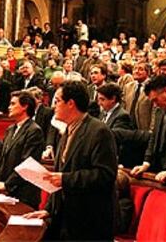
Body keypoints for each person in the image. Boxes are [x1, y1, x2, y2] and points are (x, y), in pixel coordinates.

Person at [24, 80, 118, 240]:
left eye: (57, 101)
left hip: (89, 222)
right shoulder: (67, 130)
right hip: (66, 219)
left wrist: (65, 179)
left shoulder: (99, 131)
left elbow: (105, 175)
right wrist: (49, 209)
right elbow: (60, 176)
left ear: (71, 103)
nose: (54, 106)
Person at [0, 91, 44, 209]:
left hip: (24, 193)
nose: (9, 107)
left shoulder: (34, 131)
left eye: (13, 104)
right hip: (7, 191)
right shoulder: (10, 129)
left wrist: (7, 185)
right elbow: (2, 157)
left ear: (25, 106)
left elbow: (27, 164)